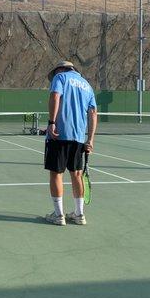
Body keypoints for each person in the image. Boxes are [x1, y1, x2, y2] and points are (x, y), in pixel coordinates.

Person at [45, 60, 97, 226]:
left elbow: (55, 96)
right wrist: (90, 139)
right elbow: (93, 112)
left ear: (61, 69)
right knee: (76, 175)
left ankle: (59, 215)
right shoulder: (87, 85)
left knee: (56, 174)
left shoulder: (60, 78)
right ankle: (79, 214)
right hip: (79, 138)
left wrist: (52, 122)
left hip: (59, 135)